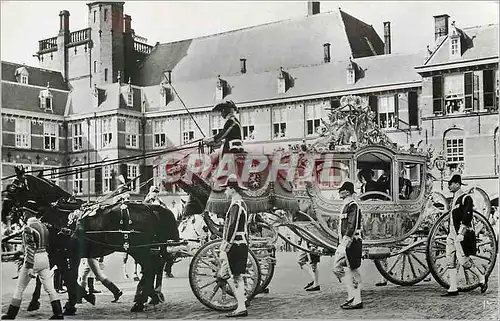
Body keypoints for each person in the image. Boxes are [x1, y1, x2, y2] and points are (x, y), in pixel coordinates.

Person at [1, 210, 64, 320]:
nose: (23, 215)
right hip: (45, 257)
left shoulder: (28, 228)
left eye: (25, 212)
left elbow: (30, 249)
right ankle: (58, 313)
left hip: (33, 259)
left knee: (19, 288)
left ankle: (11, 314)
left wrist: (29, 267)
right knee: (49, 288)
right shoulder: (43, 226)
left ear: (29, 213)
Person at [442, 174, 488, 296]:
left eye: (451, 184)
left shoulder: (466, 198)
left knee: (464, 261)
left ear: (457, 184)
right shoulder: (454, 200)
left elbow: (467, 216)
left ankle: (481, 277)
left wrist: (461, 233)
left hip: (460, 234)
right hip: (451, 234)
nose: (449, 186)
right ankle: (453, 288)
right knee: (450, 260)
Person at [218, 175, 249, 317]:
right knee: (237, 276)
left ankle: (241, 305)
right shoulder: (241, 203)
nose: (225, 192)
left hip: (236, 243)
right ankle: (242, 302)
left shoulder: (236, 204)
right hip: (241, 242)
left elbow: (232, 226)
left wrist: (226, 245)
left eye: (226, 189)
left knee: (234, 276)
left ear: (232, 189)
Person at [332, 181, 363, 310]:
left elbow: (352, 226)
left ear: (347, 192)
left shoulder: (352, 205)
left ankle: (356, 299)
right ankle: (352, 296)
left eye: (342, 190)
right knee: (342, 268)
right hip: (347, 242)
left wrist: (344, 243)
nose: (340, 192)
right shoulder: (347, 204)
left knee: (351, 270)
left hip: (351, 242)